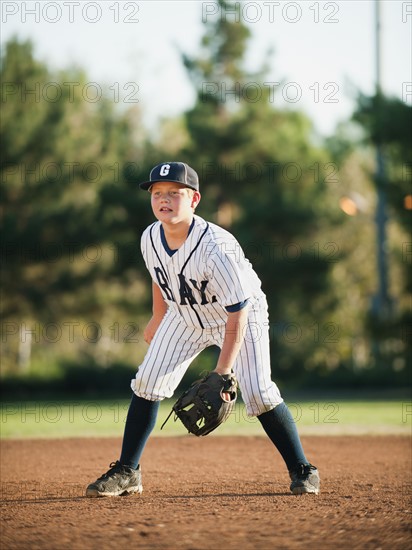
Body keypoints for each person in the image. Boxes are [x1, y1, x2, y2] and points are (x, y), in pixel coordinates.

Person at [86, 162, 320, 497]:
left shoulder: (215, 247)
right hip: (185, 315)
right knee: (148, 383)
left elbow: (238, 311)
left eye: (174, 193)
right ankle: (128, 471)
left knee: (258, 392)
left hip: (239, 316)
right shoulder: (150, 237)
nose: (163, 199)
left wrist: (223, 371)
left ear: (194, 199)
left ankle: (302, 469)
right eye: (157, 193)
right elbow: (160, 275)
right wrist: (157, 315)